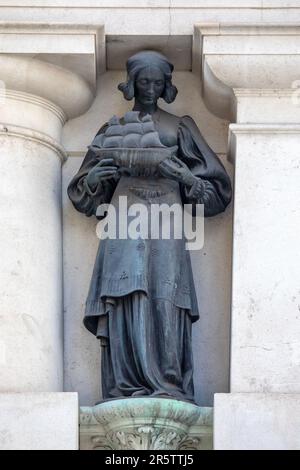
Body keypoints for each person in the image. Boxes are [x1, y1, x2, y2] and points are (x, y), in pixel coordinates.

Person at [67, 51, 232, 402]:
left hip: (168, 224)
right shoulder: (113, 130)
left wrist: (185, 175)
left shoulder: (179, 127)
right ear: (132, 84)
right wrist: (96, 177)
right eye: (144, 82)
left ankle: (167, 383)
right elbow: (83, 195)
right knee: (125, 294)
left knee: (166, 296)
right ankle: (125, 383)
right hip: (124, 222)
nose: (151, 89)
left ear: (166, 86)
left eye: (158, 83)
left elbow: (217, 193)